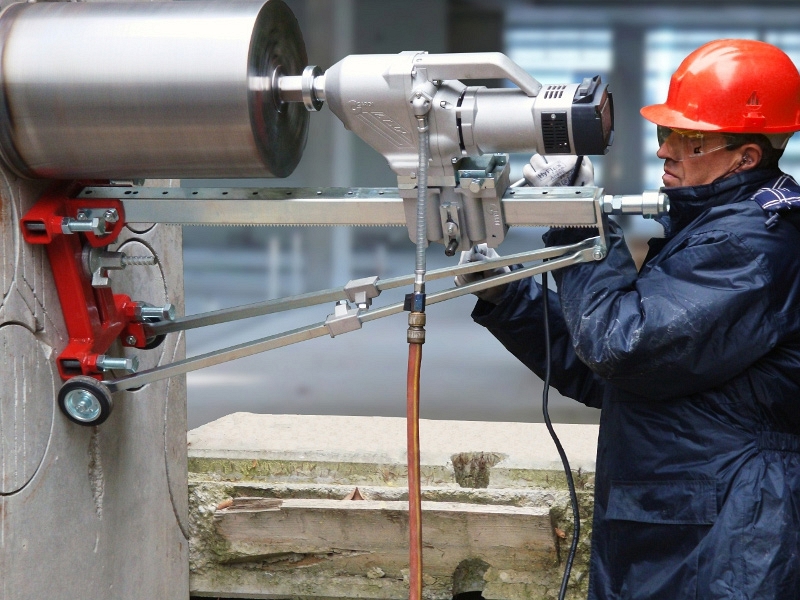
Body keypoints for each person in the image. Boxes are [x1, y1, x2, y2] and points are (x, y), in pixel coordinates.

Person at [456, 39, 800, 599]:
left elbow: (622, 345)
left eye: (689, 139)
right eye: (665, 132)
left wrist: (577, 217)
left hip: (726, 542)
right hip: (682, 527)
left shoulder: (752, 245)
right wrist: (508, 298)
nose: (665, 150)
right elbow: (616, 376)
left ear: (745, 158)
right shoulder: (712, 231)